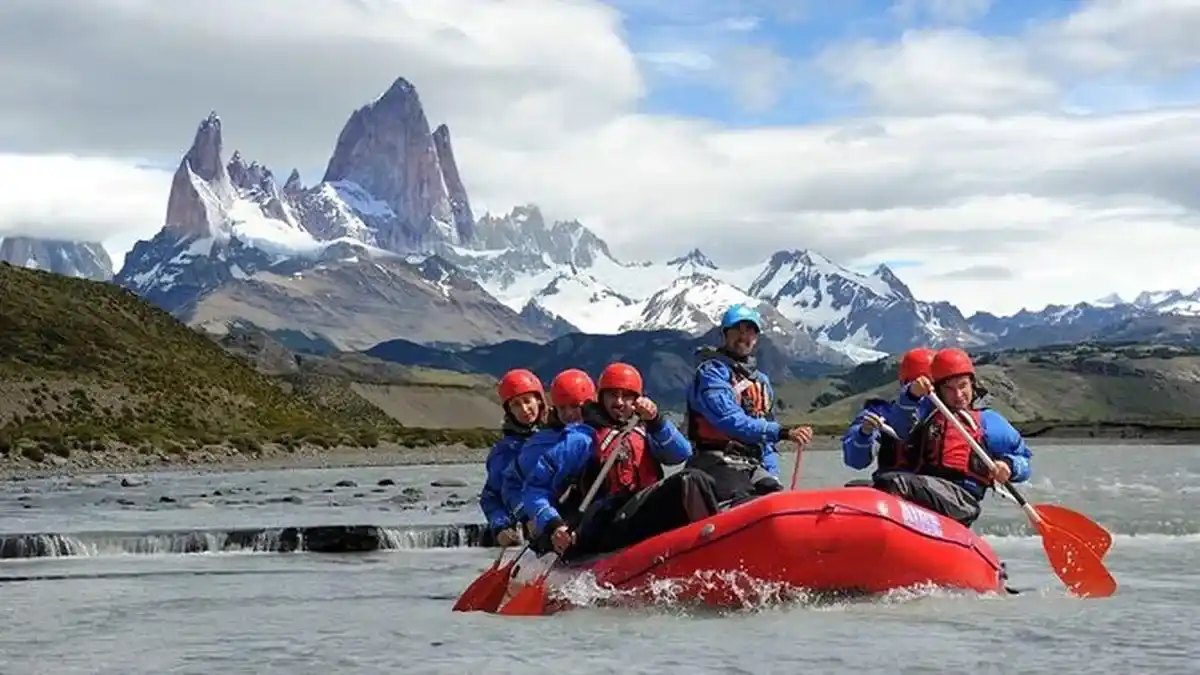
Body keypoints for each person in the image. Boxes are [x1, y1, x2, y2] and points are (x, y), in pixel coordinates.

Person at [523, 362, 719, 559]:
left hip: (640, 514)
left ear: (637, 400)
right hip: (606, 524)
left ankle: (709, 545)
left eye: (626, 396)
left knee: (702, 481)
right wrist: (553, 525)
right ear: (601, 398)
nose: (619, 402)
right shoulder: (582, 438)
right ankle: (713, 550)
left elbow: (681, 453)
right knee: (690, 481)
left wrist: (656, 421)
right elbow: (535, 489)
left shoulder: (644, 429)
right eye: (612, 395)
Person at [872, 347, 1033, 527]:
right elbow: (900, 426)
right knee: (863, 486)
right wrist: (911, 395)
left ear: (972, 383)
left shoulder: (990, 421)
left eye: (963, 386)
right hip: (926, 490)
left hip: (962, 500)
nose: (958, 395)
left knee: (893, 482)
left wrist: (1009, 466)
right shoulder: (928, 413)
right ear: (938, 390)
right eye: (949, 389)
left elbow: (1024, 461)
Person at [684, 303, 813, 505]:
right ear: (725, 334)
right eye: (737, 330)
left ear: (756, 338)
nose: (743, 336)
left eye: (749, 330)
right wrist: (783, 432)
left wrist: (772, 474)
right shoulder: (711, 374)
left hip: (751, 465)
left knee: (774, 497)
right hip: (713, 461)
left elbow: (766, 441)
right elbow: (729, 420)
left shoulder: (761, 382)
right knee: (741, 499)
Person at [500, 368, 597, 552]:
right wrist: (528, 517)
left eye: (574, 406)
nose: (568, 414)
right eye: (562, 408)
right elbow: (513, 487)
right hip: (550, 520)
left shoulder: (596, 434)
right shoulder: (536, 446)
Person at [841, 347, 936, 478]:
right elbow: (855, 461)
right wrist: (863, 434)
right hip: (895, 482)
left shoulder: (950, 409)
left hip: (939, 485)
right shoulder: (879, 410)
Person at [479, 368, 546, 547]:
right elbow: (491, 496)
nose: (524, 409)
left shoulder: (559, 436)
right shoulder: (504, 452)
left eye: (527, 401)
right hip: (530, 529)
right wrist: (501, 527)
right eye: (516, 404)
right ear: (509, 410)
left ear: (539, 400)